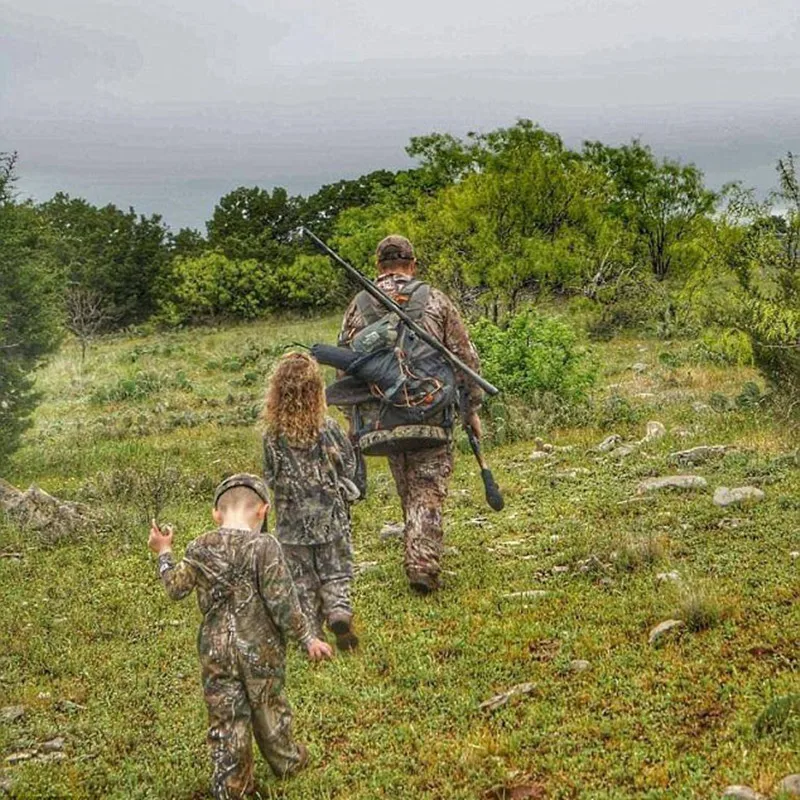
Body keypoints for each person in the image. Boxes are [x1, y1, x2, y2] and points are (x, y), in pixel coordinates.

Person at [147, 473, 332, 799]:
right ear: (263, 510)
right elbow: (283, 602)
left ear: (216, 514)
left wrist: (164, 553)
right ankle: (288, 762)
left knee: (227, 717)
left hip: (216, 651)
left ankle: (233, 786)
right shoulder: (265, 546)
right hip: (260, 649)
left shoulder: (199, 546)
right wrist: (308, 638)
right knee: (269, 706)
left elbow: (175, 589)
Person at [338, 234, 483, 595]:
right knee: (427, 488)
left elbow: (344, 365)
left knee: (407, 480)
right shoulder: (434, 299)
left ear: (379, 266)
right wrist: (471, 408)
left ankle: (417, 548)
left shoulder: (357, 305)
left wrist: (350, 416)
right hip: (431, 413)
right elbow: (464, 358)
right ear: (412, 264)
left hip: (380, 417)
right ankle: (422, 563)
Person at [262, 352, 360, 651]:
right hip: (329, 516)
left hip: (292, 523)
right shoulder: (327, 427)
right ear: (317, 391)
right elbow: (348, 463)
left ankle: (313, 636)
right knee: (336, 570)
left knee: (301, 581)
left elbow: (269, 475)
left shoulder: (272, 435)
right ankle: (338, 611)